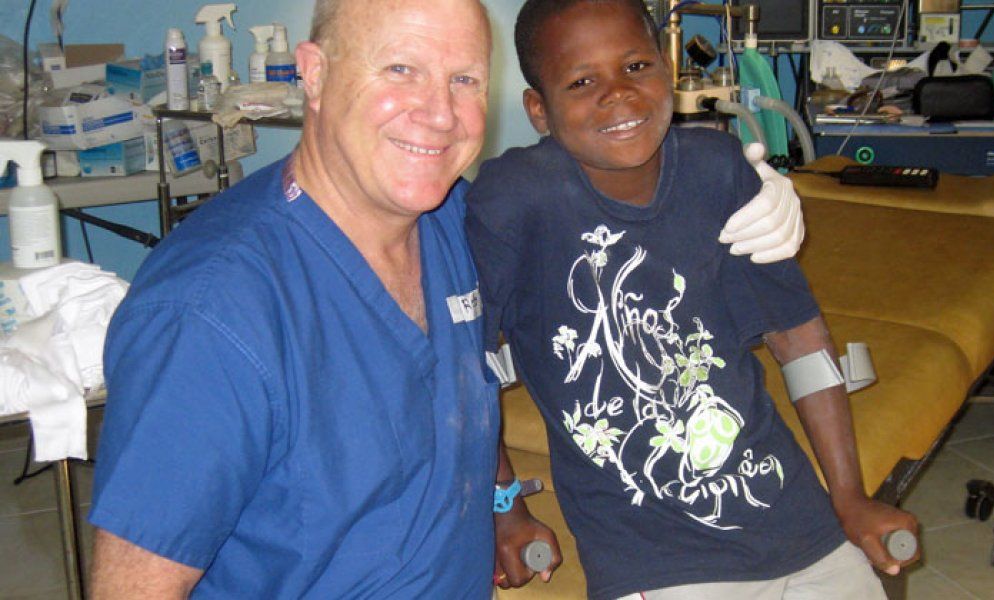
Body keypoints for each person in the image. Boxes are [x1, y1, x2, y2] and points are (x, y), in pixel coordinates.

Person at [87, 0, 806, 597]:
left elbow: (599, 202)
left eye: (463, 80)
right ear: (313, 74)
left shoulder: (450, 225)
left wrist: (761, 191)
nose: (438, 113)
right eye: (401, 70)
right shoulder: (213, 315)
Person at [465, 1, 919, 599]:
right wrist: (504, 506)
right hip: (655, 555)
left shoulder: (718, 168)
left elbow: (797, 334)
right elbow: (463, 364)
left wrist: (849, 495)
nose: (619, 94)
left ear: (668, 68)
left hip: (792, 515)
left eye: (635, 65)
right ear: (538, 109)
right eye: (581, 81)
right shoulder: (517, 198)